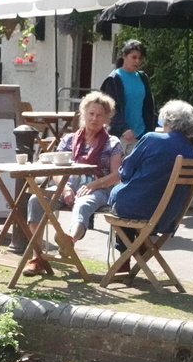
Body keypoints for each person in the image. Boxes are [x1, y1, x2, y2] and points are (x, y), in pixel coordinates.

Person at [22, 92, 123, 277]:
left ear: (107, 118)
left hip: (99, 188)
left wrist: (94, 185)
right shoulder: (69, 139)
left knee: (83, 202)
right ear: (83, 113)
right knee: (36, 200)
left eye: (100, 115)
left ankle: (69, 241)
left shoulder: (112, 142)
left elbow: (117, 175)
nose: (94, 118)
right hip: (66, 186)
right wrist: (66, 187)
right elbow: (56, 169)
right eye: (91, 113)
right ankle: (38, 258)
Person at [108, 100, 193, 235]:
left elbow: (125, 172)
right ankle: (138, 249)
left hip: (136, 208)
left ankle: (126, 251)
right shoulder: (192, 154)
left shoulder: (152, 139)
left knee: (118, 194)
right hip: (168, 215)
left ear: (167, 120)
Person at [100, 40, 157, 149]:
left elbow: (148, 106)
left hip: (141, 134)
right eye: (134, 57)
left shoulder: (142, 77)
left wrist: (153, 126)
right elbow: (110, 109)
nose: (137, 61)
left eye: (140, 58)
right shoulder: (113, 79)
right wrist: (124, 129)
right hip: (120, 135)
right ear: (124, 56)